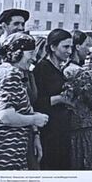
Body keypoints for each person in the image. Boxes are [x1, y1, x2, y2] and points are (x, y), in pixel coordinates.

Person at [0, 32, 46, 170]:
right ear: (18, 53)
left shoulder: (8, 71)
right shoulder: (10, 74)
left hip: (6, 149)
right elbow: (6, 116)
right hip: (0, 150)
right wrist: (35, 120)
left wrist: (35, 133)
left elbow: (22, 108)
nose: (34, 58)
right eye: (31, 53)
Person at [33, 28, 76, 170]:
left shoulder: (59, 69)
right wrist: (59, 99)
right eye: (66, 47)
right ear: (52, 47)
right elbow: (35, 103)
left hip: (61, 131)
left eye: (71, 47)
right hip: (48, 133)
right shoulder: (42, 69)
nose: (70, 51)